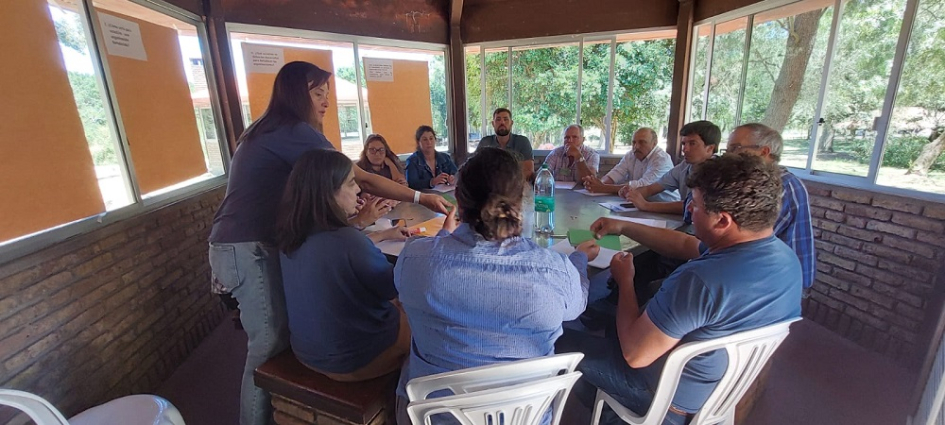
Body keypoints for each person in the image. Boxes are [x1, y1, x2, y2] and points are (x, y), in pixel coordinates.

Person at [207, 61, 448, 425]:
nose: (325, 103)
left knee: (289, 329)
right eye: (318, 94)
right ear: (295, 95)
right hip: (247, 248)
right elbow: (361, 177)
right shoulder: (295, 131)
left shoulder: (268, 133)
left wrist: (364, 225)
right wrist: (420, 198)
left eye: (327, 95)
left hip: (240, 244)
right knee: (267, 348)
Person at [560, 154, 802, 424]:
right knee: (614, 316)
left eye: (695, 206)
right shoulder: (784, 258)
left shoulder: (700, 280)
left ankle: (614, 413)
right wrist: (625, 225)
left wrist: (626, 280)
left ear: (722, 221)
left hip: (667, 397)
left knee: (557, 339)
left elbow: (635, 354)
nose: (689, 212)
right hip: (719, 385)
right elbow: (686, 245)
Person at [393, 147, 600, 424]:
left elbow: (407, 287)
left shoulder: (416, 259)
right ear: (523, 200)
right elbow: (577, 304)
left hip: (436, 418)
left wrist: (444, 236)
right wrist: (579, 260)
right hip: (528, 417)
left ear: (458, 200)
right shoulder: (555, 271)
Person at [275, 149, 411, 382]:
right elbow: (397, 287)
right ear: (328, 193)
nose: (359, 190)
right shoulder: (348, 241)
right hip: (348, 361)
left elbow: (339, 256)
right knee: (425, 320)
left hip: (306, 352)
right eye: (350, 184)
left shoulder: (291, 235)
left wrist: (385, 234)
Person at [726, 123, 816, 293]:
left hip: (779, 283)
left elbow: (742, 237)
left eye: (735, 148)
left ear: (764, 152)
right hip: (758, 272)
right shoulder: (753, 182)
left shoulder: (782, 185)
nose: (729, 156)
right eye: (728, 149)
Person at [620, 121, 720, 218]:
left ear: (710, 148)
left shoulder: (720, 172)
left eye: (692, 143)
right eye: (684, 144)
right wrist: (632, 194)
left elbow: (693, 206)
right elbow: (651, 188)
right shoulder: (684, 166)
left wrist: (646, 205)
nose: (685, 149)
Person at [582, 127, 676, 201]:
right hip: (640, 205)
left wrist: (603, 188)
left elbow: (642, 186)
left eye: (642, 142)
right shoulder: (631, 155)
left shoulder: (661, 159)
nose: (636, 146)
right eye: (634, 142)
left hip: (665, 207)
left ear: (654, 143)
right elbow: (615, 174)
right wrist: (597, 184)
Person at [475, 108, 535, 179]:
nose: (502, 122)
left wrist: (506, 182)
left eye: (506, 119)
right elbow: (475, 168)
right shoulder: (485, 142)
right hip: (490, 186)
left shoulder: (522, 141)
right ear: (493, 124)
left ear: (511, 123)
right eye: (498, 119)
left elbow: (529, 171)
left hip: (517, 186)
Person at [405, 125, 459, 190]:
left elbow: (457, 174)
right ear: (418, 142)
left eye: (431, 138)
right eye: (425, 139)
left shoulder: (445, 158)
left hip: (445, 192)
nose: (429, 142)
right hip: (424, 196)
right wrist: (432, 182)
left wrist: (453, 178)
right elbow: (412, 184)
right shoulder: (412, 161)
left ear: (435, 140)